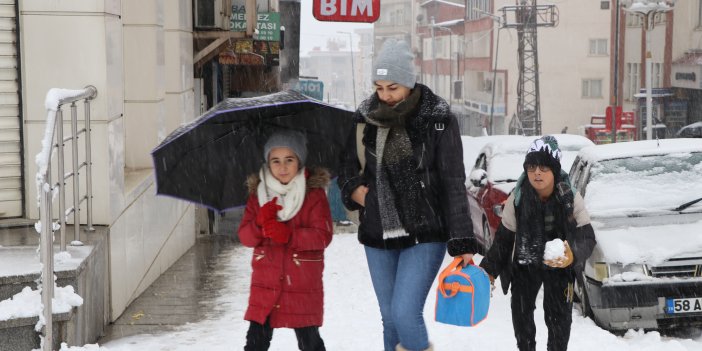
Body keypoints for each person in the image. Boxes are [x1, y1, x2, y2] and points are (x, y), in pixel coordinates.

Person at [337, 39, 478, 351]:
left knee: (404, 312)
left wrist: (463, 242)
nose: (385, 96)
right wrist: (357, 194)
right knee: (389, 317)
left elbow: (453, 182)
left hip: (425, 231)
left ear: (409, 83)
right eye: (379, 87)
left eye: (393, 87)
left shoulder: (438, 119)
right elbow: (346, 166)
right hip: (377, 231)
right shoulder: (363, 118)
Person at [479, 135, 597, 351]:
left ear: (554, 169)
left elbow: (587, 236)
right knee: (522, 322)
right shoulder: (518, 198)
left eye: (544, 167)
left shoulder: (569, 197)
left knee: (559, 324)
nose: (537, 173)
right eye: (532, 167)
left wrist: (572, 253)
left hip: (559, 266)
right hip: (526, 263)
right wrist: (487, 271)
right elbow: (504, 240)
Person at [238, 130, 333, 351]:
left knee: (310, 342)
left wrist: (289, 234)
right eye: (276, 161)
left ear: (299, 161)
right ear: (268, 163)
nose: (282, 167)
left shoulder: (313, 194)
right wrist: (259, 224)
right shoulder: (257, 194)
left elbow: (322, 235)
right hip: (266, 284)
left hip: (301, 283)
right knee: (255, 343)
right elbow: (245, 237)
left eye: (289, 160)